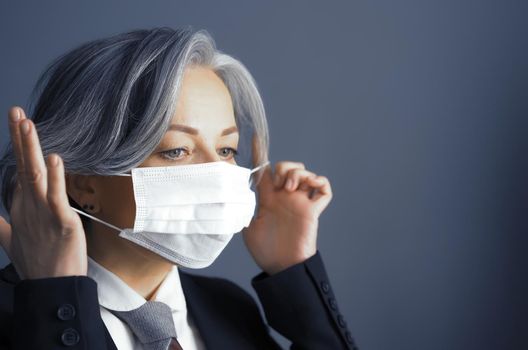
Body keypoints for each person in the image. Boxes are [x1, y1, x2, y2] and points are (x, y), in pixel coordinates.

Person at [0, 27, 357, 349]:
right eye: (176, 151)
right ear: (83, 185)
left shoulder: (229, 308)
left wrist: (293, 268)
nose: (218, 174)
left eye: (226, 150)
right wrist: (57, 302)